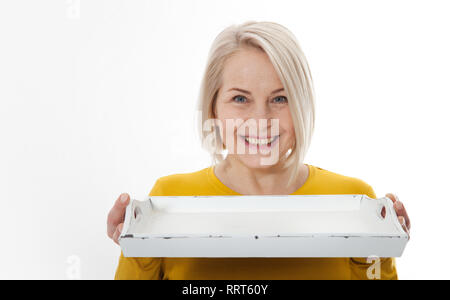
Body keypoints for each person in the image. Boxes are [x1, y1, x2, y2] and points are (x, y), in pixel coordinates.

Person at [107, 21, 411, 280]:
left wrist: (380, 246)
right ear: (214, 105)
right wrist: (138, 247)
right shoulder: (169, 198)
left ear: (301, 105)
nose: (261, 121)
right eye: (240, 99)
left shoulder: (354, 201)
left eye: (280, 99)